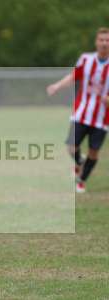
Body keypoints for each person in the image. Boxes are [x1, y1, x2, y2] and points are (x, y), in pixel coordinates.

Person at [47, 27, 109, 193]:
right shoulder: (86, 59)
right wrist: (57, 85)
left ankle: (81, 180)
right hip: (81, 113)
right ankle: (80, 162)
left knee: (94, 153)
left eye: (107, 40)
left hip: (102, 118)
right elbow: (74, 76)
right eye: (101, 40)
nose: (104, 43)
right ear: (96, 42)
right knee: (71, 148)